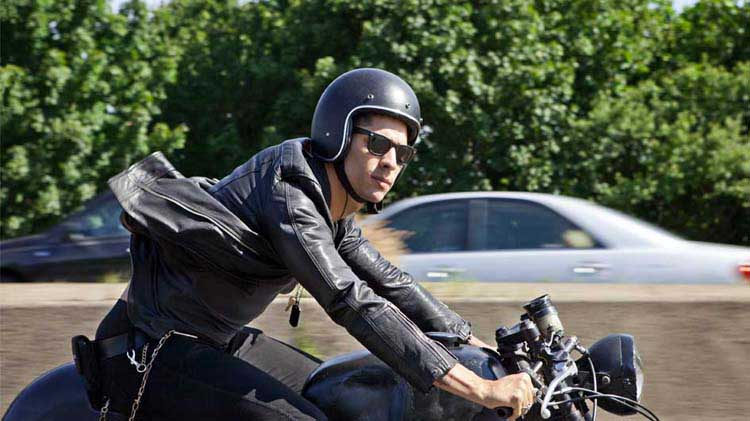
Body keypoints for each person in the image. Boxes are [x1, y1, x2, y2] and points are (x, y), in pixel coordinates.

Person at [92, 68, 535, 420]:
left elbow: (390, 284)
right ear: (337, 134)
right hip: (151, 349)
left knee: (337, 393)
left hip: (220, 340)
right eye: (378, 144)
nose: (391, 163)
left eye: (403, 153)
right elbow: (350, 299)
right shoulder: (291, 193)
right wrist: (477, 386)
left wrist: (477, 347)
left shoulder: (333, 207)